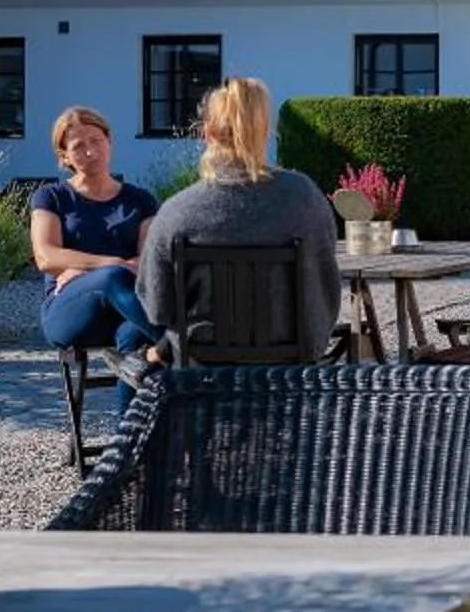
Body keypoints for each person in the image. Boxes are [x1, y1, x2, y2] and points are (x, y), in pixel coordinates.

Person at [138, 76, 344, 361]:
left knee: (145, 358)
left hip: (203, 368)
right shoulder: (304, 197)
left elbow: (157, 307)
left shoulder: (177, 212)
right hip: (289, 362)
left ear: (206, 132)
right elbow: (326, 286)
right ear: (264, 131)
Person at [31, 106, 160, 388]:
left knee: (135, 342)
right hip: (70, 311)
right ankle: (181, 347)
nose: (90, 151)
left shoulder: (140, 200)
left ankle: (127, 431)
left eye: (96, 141)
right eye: (78, 146)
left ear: (109, 142)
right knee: (111, 277)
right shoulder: (51, 197)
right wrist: (110, 266)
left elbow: (149, 261)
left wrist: (80, 268)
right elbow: (46, 256)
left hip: (126, 310)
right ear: (64, 155)